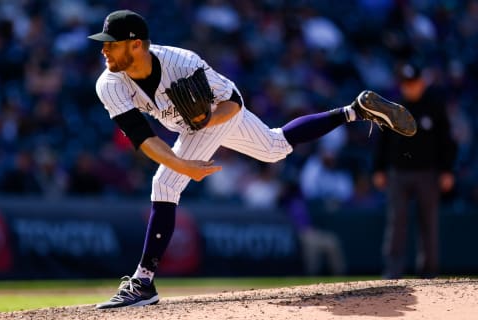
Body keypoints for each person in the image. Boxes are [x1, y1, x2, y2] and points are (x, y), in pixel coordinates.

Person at [88, 9, 415, 309]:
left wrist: (205, 123)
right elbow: (143, 138)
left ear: (135, 45)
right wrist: (185, 165)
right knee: (275, 148)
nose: (103, 50)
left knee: (165, 183)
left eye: (111, 44)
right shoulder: (109, 83)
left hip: (221, 112)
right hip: (188, 123)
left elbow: (232, 101)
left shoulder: (182, 63)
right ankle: (354, 110)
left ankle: (143, 282)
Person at [372, 63, 457, 279]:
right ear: (401, 85)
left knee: (428, 222)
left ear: (422, 82)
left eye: (414, 83)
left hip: (427, 172)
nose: (411, 88)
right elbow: (382, 141)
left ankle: (429, 271)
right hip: (398, 173)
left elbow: (446, 140)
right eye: (407, 84)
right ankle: (393, 270)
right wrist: (379, 168)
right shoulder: (393, 108)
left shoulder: (434, 106)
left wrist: (447, 170)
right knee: (397, 221)